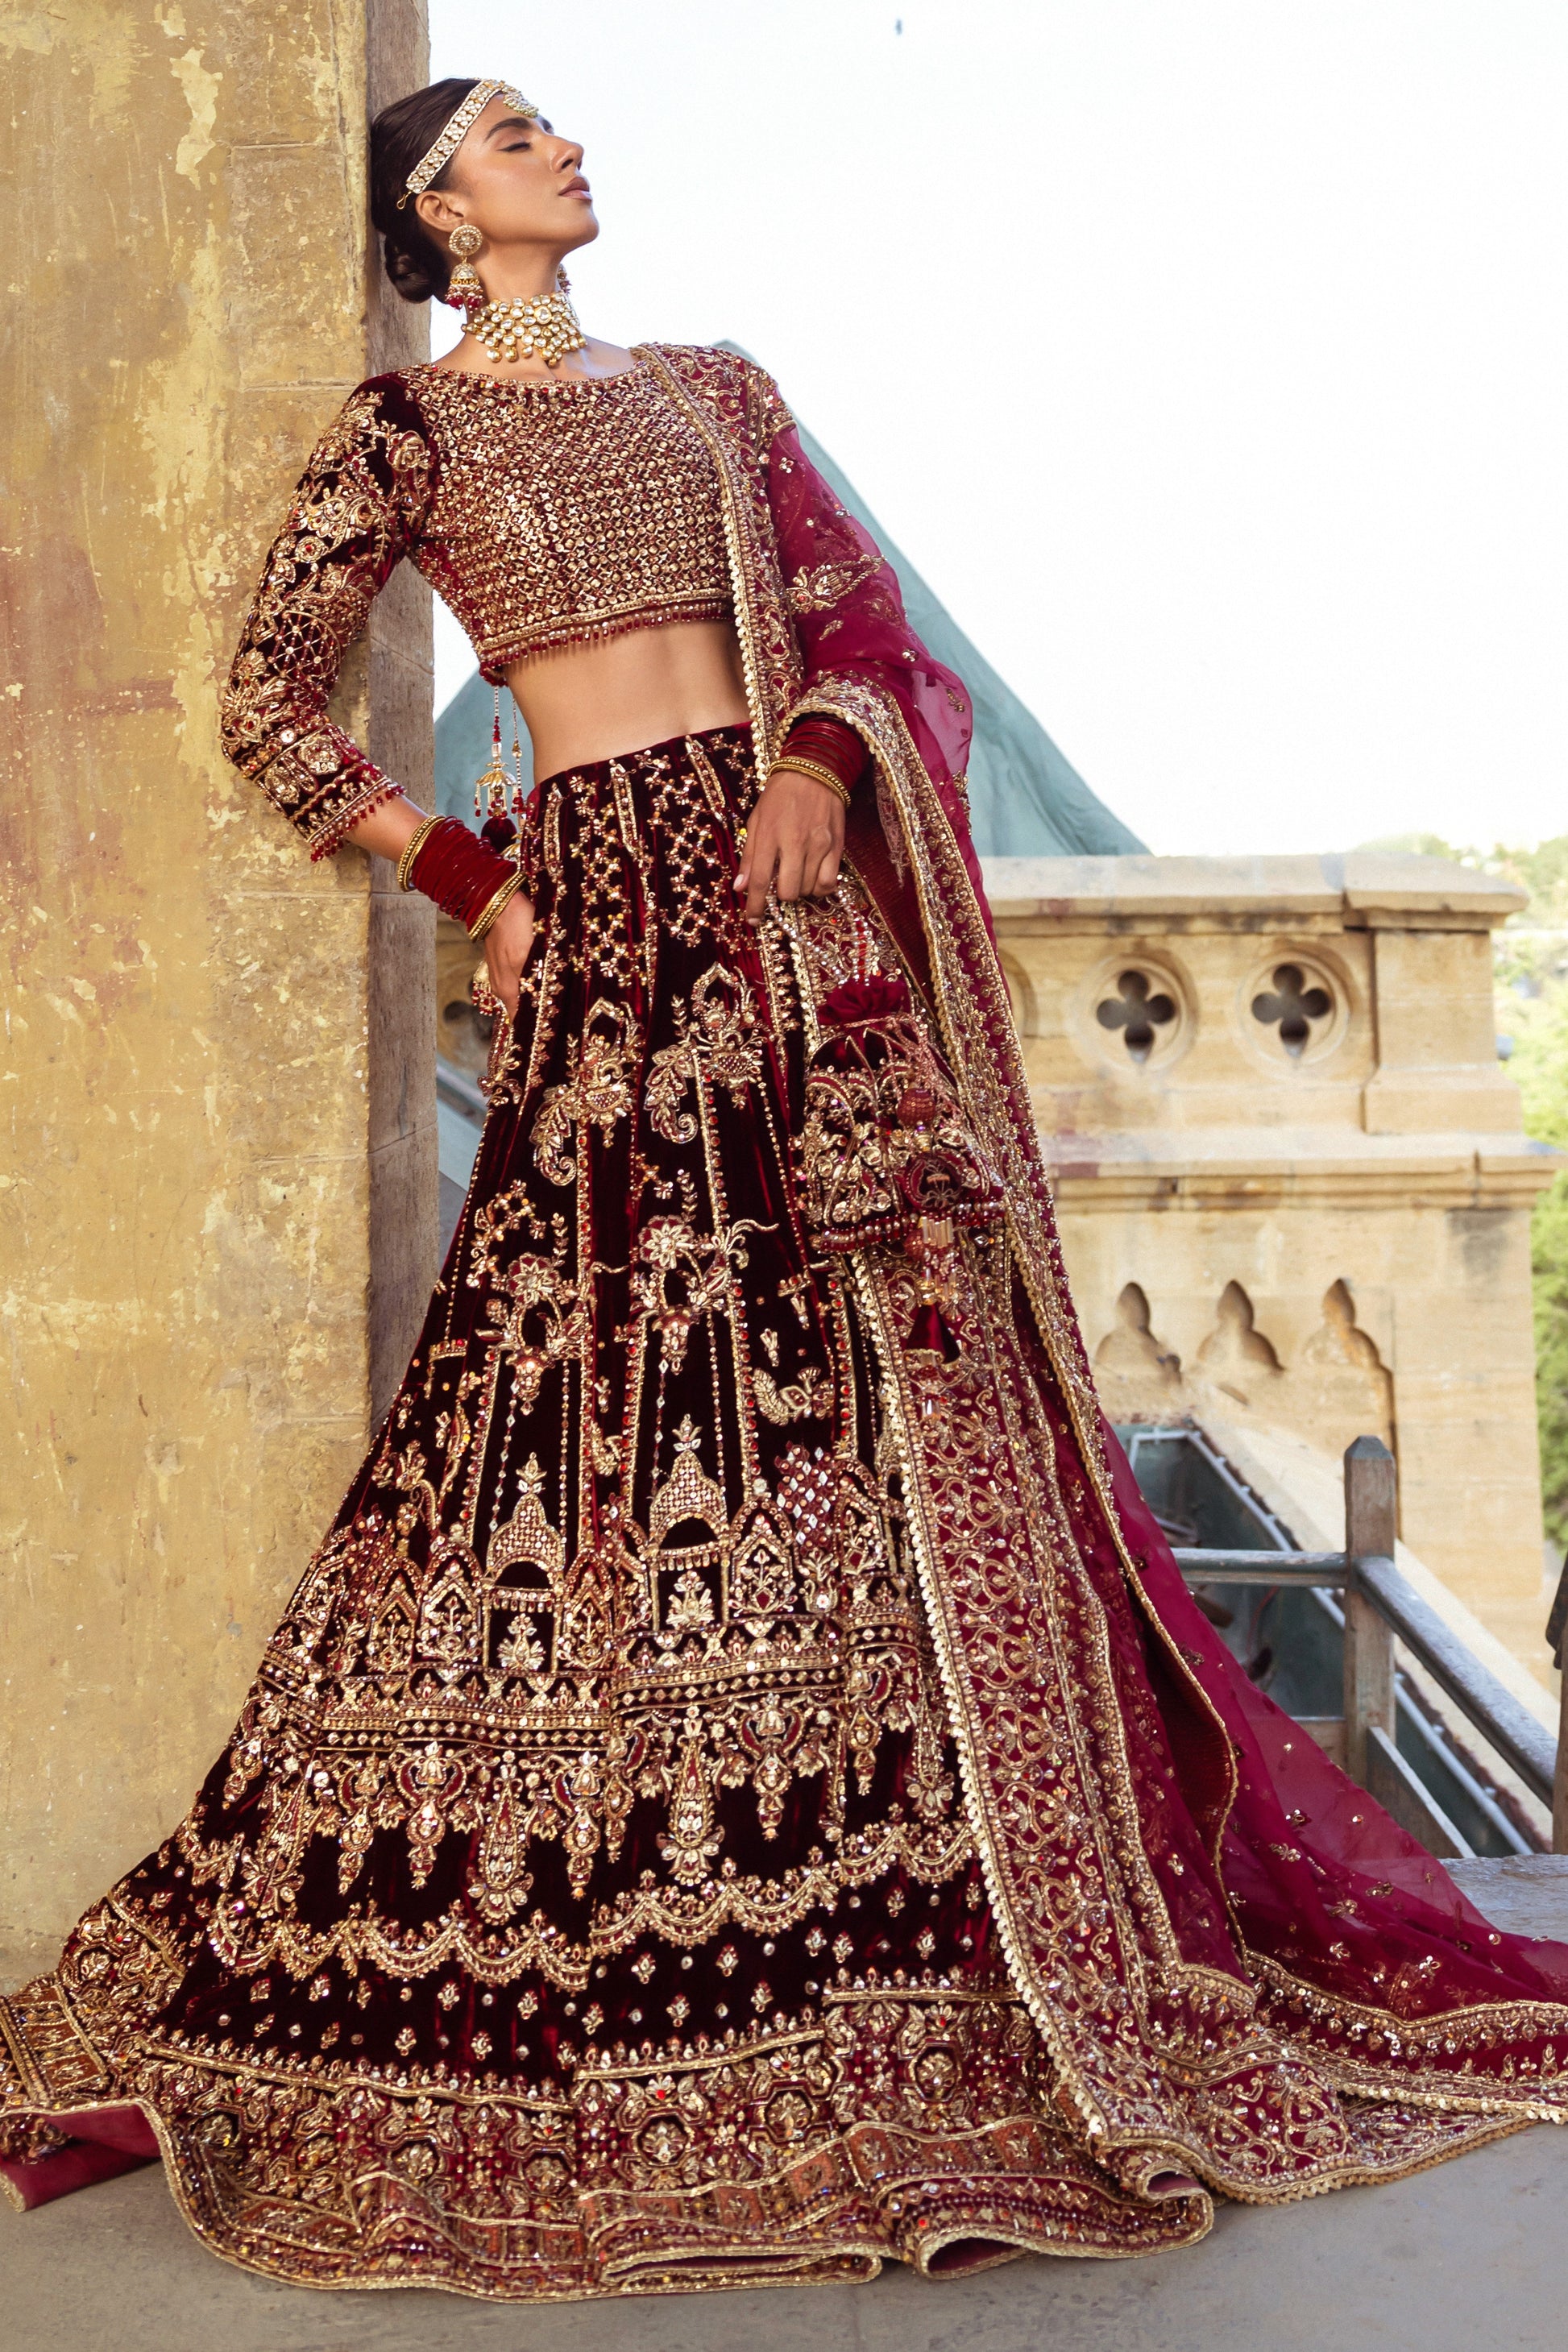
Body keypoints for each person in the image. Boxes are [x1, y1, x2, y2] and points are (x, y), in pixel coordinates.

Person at [3, 73, 1566, 2303]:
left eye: (558, 129)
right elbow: (270, 709)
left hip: (787, 923)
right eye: (516, 138)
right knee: (578, 1395)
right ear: (438, 211)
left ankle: (924, 1919)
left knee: (863, 1386)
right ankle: (618, 1873)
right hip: (595, 926)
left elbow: (850, 618)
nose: (567, 151)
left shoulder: (716, 390)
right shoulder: (404, 434)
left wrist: (824, 756)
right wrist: (470, 875)